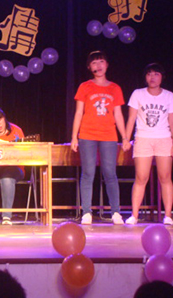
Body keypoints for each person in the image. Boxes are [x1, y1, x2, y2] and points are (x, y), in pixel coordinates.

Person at [71, 50, 130, 225]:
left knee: (110, 173)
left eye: (101, 61)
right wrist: (74, 137)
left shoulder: (115, 88)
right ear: (90, 67)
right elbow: (79, 112)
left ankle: (116, 212)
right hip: (87, 134)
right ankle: (86, 212)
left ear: (107, 65)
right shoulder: (85, 86)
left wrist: (125, 137)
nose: (98, 65)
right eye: (94, 63)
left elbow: (118, 114)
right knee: (88, 173)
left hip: (109, 135)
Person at [125, 63, 173, 226]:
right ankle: (134, 215)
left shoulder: (169, 96)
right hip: (143, 138)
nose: (152, 77)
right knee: (141, 177)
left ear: (162, 77)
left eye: (156, 74)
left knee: (165, 177)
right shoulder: (138, 94)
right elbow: (131, 119)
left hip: (164, 138)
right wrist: (126, 139)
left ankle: (168, 215)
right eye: (149, 74)